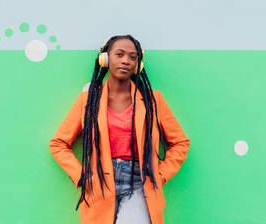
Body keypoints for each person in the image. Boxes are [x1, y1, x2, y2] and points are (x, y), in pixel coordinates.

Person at [49, 34, 191, 224]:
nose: (126, 61)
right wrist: (82, 177)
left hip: (139, 181)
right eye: (119, 54)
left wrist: (160, 175)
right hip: (99, 182)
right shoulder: (88, 101)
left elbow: (180, 143)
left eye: (133, 57)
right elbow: (58, 144)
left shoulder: (153, 100)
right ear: (105, 59)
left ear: (138, 64)